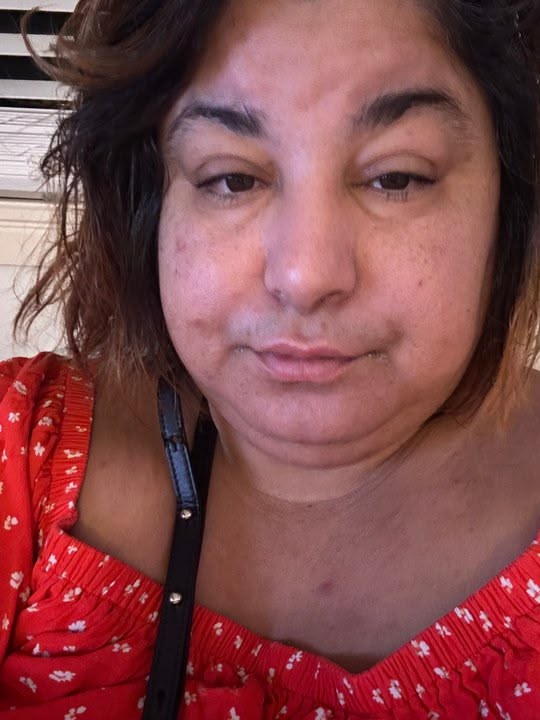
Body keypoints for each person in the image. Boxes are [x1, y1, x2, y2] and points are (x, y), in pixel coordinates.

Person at [1, 0, 540, 717]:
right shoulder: (21, 455)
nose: (305, 275)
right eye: (232, 179)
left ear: (509, 198)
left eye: (397, 177)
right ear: (150, 203)